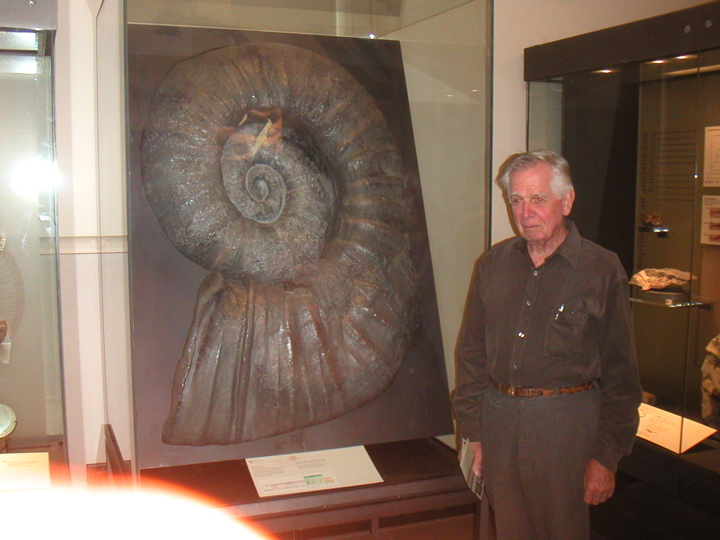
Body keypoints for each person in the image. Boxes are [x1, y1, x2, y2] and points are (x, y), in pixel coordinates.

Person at [452, 151, 642, 539]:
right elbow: (471, 356)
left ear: (567, 201)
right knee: (509, 531)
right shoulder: (492, 265)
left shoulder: (601, 269)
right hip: (499, 423)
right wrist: (474, 432)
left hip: (566, 430)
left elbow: (622, 376)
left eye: (538, 198)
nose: (525, 212)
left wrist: (606, 456)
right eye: (516, 200)